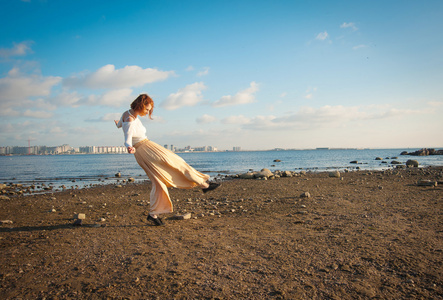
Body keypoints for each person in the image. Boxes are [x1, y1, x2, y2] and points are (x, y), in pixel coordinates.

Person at [115, 94, 220, 226]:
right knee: (177, 163)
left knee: (159, 181)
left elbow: (120, 123)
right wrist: (129, 147)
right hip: (146, 149)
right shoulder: (130, 119)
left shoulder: (127, 114)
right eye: (147, 109)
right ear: (140, 105)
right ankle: (204, 185)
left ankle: (153, 215)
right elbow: (127, 137)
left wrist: (118, 125)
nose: (148, 112)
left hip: (144, 149)